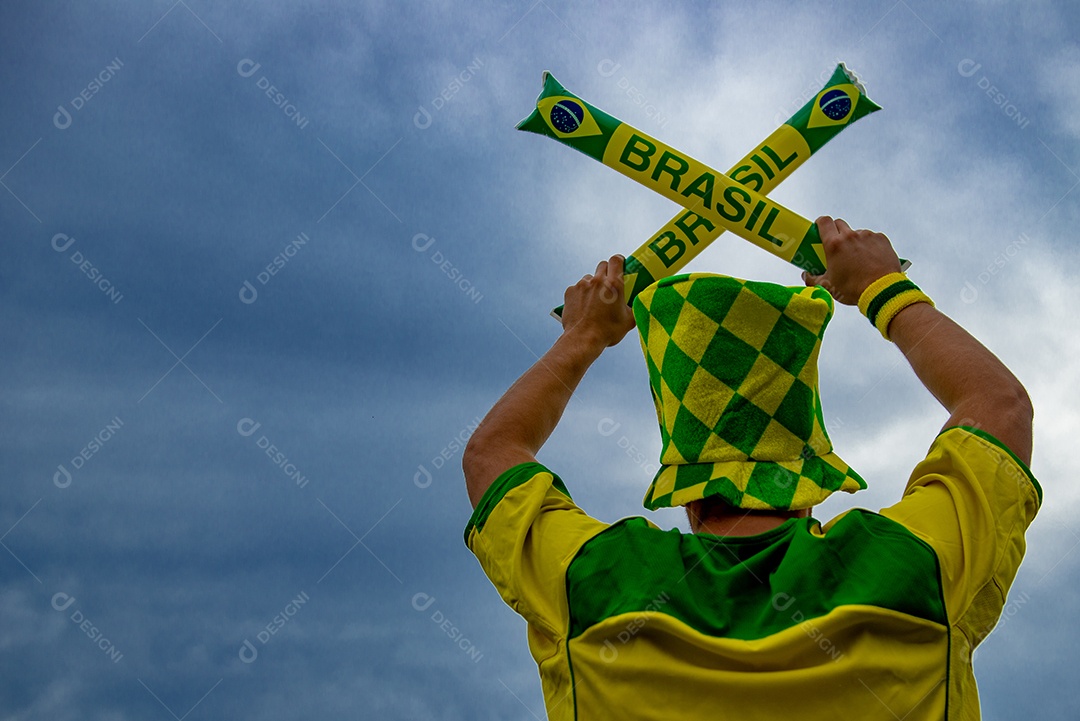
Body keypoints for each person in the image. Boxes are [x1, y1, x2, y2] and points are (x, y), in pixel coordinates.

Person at [462, 216, 1040, 720]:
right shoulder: (915, 567)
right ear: (808, 484)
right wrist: (882, 287)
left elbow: (493, 452)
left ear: (687, 492)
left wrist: (584, 335)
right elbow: (1000, 406)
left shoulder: (593, 582)